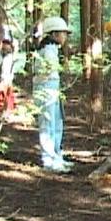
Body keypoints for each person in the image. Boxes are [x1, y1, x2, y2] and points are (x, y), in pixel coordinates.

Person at [33, 16, 74, 173]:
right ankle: (48, 159)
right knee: (47, 124)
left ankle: (56, 155)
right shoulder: (47, 50)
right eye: (63, 33)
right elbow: (47, 72)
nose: (65, 37)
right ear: (54, 34)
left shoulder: (52, 50)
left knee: (57, 123)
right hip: (45, 90)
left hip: (53, 89)